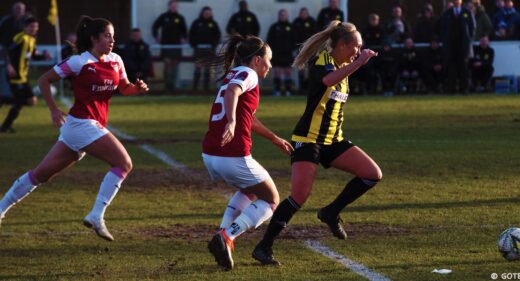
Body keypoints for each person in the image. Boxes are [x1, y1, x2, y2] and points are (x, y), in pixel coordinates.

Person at [0, 16, 149, 241]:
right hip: (81, 124)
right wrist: (53, 109)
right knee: (124, 163)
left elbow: (124, 88)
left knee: (41, 174)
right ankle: (97, 214)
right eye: (107, 35)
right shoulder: (79, 62)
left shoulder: (116, 60)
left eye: (113, 36)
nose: (112, 40)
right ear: (94, 38)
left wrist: (136, 89)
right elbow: (43, 80)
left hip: (81, 128)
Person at [252, 20, 381, 266]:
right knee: (299, 196)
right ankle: (263, 247)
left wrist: (354, 63)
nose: (359, 51)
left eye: (361, 48)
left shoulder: (345, 67)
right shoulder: (324, 60)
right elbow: (327, 81)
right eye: (356, 46)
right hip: (308, 139)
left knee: (372, 174)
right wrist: (358, 62)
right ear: (342, 44)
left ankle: (331, 211)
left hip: (333, 140)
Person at [201, 35, 293, 270]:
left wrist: (274, 138)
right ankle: (227, 235)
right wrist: (231, 122)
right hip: (231, 153)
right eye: (268, 60)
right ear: (257, 60)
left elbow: (248, 117)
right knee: (271, 200)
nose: (270, 65)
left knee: (250, 190)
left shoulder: (235, 73)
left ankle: (222, 239)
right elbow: (233, 92)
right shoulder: (248, 74)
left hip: (211, 153)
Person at [1, 17, 50, 133]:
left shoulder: (32, 40)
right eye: (32, 26)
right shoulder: (20, 38)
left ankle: (4, 100)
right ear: (25, 27)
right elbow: (6, 51)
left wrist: (44, 56)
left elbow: (32, 56)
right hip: (15, 75)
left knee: (31, 101)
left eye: (36, 27)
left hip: (23, 76)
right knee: (20, 101)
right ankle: (4, 127)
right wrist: (9, 65)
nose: (34, 29)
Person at [440, 0, 475, 94]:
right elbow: (443, 28)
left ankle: (464, 89)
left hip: (463, 46)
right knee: (451, 69)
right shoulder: (447, 13)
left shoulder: (467, 12)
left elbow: (472, 28)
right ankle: (451, 89)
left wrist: (468, 40)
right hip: (451, 46)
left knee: (464, 69)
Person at [152, 0, 187, 91]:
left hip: (176, 46)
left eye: (175, 6)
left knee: (174, 65)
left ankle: (174, 86)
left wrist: (183, 38)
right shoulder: (164, 17)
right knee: (167, 65)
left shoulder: (180, 18)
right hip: (166, 45)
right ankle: (167, 86)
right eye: (172, 5)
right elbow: (155, 26)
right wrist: (156, 37)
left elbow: (184, 30)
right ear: (169, 6)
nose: (174, 7)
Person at [189, 6, 221, 91]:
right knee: (198, 67)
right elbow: (191, 34)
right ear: (202, 13)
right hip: (199, 49)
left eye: (208, 13)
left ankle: (206, 89)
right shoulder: (196, 23)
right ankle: (195, 88)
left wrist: (213, 45)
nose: (207, 15)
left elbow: (217, 35)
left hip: (209, 49)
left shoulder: (213, 24)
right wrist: (194, 44)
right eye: (205, 13)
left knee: (207, 68)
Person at [267, 9, 295, 96]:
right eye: (281, 15)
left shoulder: (291, 27)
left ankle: (288, 91)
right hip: (277, 54)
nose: (283, 16)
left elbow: (296, 39)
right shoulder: (274, 27)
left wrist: (293, 49)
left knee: (288, 72)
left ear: (287, 16)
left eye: (284, 15)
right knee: (277, 72)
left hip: (288, 54)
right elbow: (269, 40)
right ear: (278, 16)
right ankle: (277, 90)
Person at [292, 7, 317, 94]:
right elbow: (293, 35)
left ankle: (308, 88)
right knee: (301, 69)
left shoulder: (312, 21)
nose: (303, 14)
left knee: (310, 69)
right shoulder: (296, 22)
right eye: (302, 13)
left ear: (307, 13)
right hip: (299, 49)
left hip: (310, 49)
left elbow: (315, 35)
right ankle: (301, 88)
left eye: (305, 13)